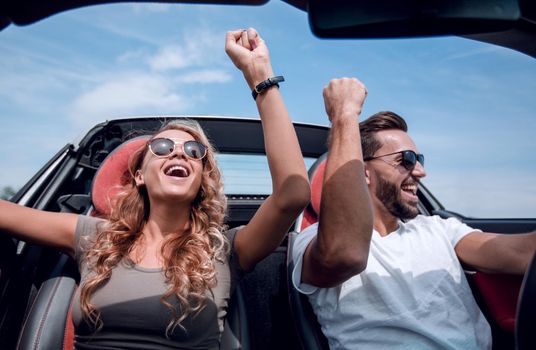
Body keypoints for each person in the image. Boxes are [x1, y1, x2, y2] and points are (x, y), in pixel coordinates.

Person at [0, 28, 310, 349]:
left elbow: (293, 195)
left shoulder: (225, 249)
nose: (178, 152)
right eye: (162, 147)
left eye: (194, 152)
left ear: (202, 178)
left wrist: (259, 75)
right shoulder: (94, 235)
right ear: (139, 176)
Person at [291, 79, 536, 350]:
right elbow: (344, 255)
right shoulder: (314, 240)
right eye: (406, 159)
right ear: (363, 172)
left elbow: (522, 253)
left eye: (420, 159)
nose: (420, 171)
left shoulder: (439, 229)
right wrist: (344, 114)